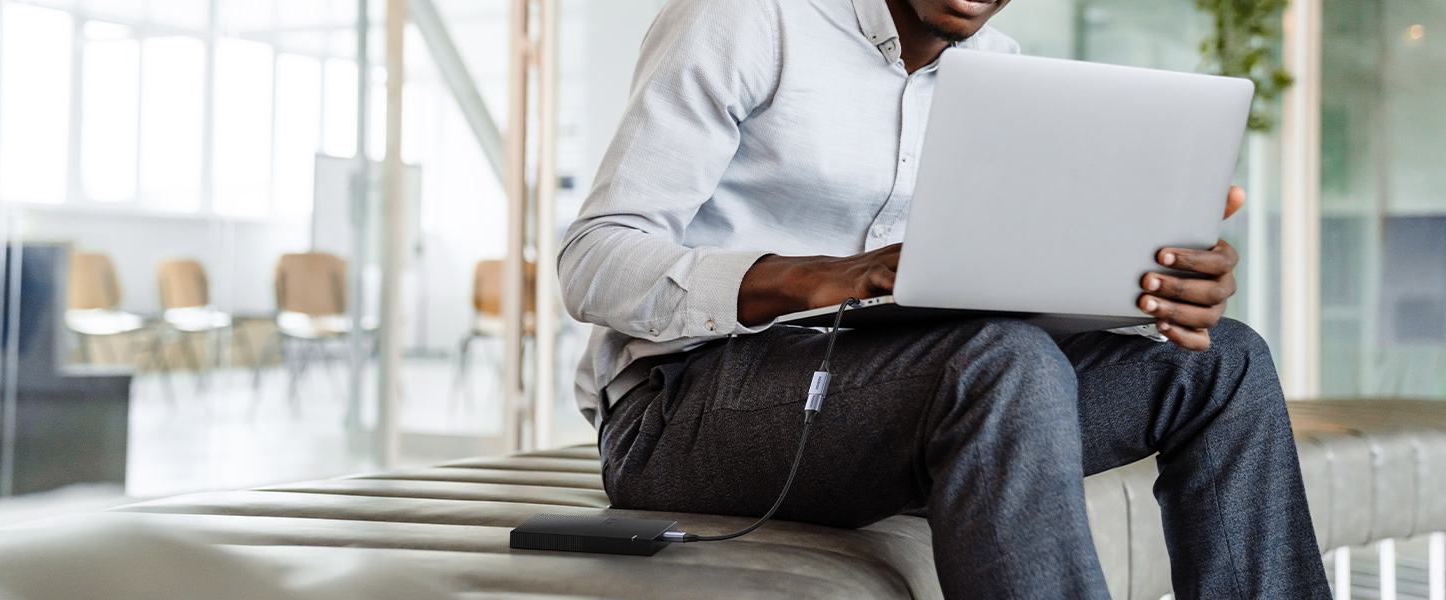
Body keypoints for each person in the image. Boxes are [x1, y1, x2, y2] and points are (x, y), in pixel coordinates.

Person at [557, 0, 1332, 597]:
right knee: (1003, 362)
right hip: (681, 414)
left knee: (1223, 361)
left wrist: (1156, 288)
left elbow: (1016, 287)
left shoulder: (1003, 73)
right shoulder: (750, 19)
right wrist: (828, 275)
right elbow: (593, 260)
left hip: (907, 395)